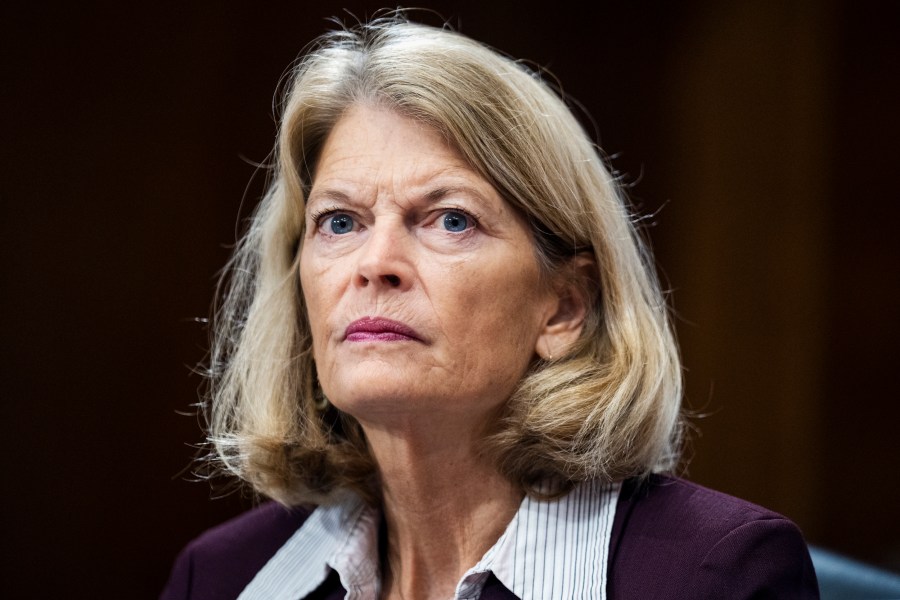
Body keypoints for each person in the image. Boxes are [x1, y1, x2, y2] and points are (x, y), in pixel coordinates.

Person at [161, 13, 819, 600]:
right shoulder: (218, 578)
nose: (375, 262)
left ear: (564, 308)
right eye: (340, 222)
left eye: (451, 219)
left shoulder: (716, 577)